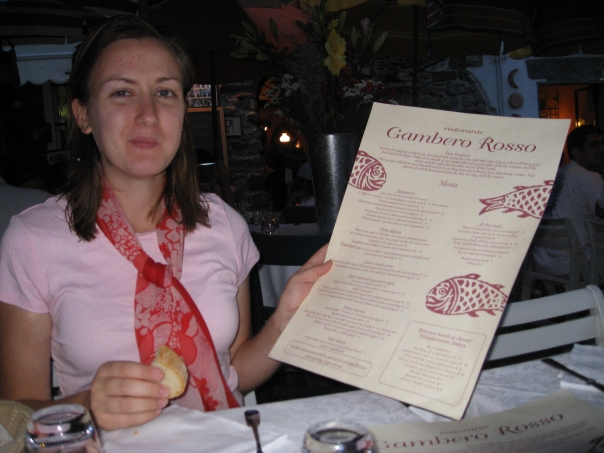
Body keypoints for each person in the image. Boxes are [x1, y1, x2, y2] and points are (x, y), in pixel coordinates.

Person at [0, 14, 331, 432]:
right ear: (83, 115)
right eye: (122, 92)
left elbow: (234, 372)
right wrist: (85, 406)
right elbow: (14, 413)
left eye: (165, 92)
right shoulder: (33, 239)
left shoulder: (223, 225)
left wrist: (285, 318)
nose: (148, 115)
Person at [533, 125, 604, 277]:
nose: (601, 149)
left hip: (544, 262)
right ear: (576, 152)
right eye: (594, 145)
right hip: (577, 263)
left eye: (602, 144)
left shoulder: (554, 176)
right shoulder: (589, 178)